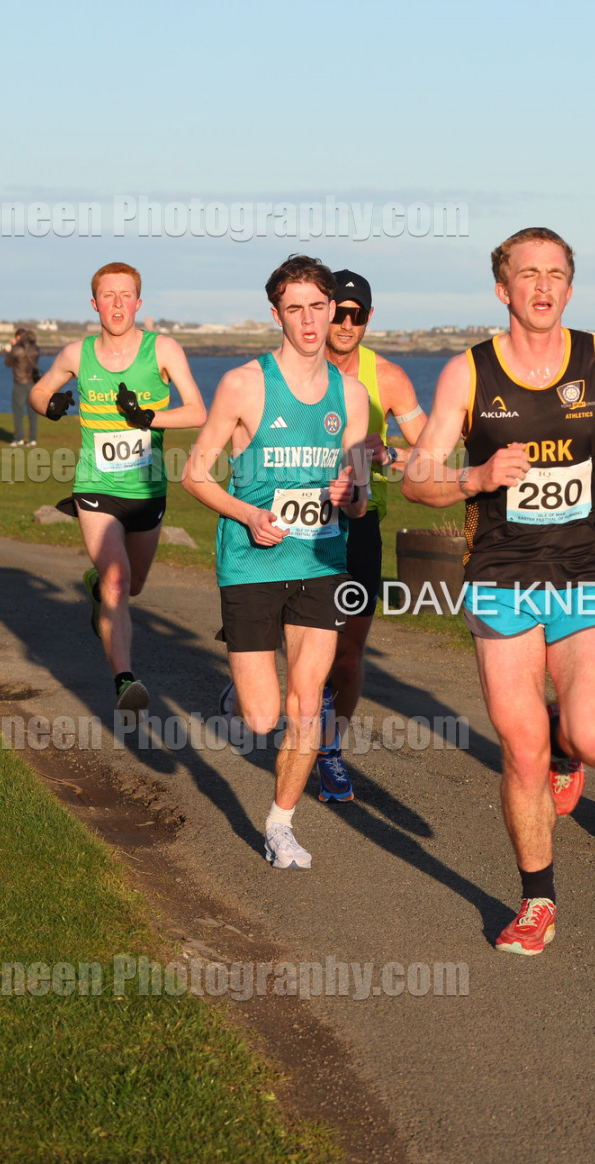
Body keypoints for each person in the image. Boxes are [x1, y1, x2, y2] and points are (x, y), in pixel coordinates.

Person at [402, 228, 595, 954]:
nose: (542, 286)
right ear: (504, 289)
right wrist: (476, 477)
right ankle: (537, 900)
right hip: (500, 579)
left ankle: (564, 747)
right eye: (528, 274)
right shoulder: (468, 373)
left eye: (555, 274)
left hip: (580, 572)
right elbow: (417, 478)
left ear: (570, 289)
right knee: (518, 753)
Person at [183, 255, 370, 871]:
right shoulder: (244, 384)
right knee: (262, 718)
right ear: (277, 315)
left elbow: (361, 499)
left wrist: (353, 492)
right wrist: (248, 514)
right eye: (296, 309)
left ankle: (280, 825)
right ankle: (241, 689)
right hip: (252, 561)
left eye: (319, 307)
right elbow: (195, 474)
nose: (310, 321)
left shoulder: (353, 395)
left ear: (332, 309)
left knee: (306, 702)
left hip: (321, 560)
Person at [31, 264, 208, 711]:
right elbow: (37, 392)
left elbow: (197, 411)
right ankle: (125, 680)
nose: (117, 304)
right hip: (96, 486)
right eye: (107, 296)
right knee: (118, 578)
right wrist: (52, 405)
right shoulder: (77, 354)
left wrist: (146, 417)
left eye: (125, 295)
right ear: (94, 304)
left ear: (138, 303)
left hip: (147, 490)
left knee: (133, 586)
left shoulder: (163, 349)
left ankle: (96, 588)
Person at [314, 268, 427, 803]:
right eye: (337, 312)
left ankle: (329, 750)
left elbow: (431, 451)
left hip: (360, 524)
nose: (345, 323)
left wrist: (391, 454)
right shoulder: (294, 369)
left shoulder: (389, 378)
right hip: (299, 522)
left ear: (368, 318)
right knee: (300, 645)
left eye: (356, 315)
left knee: (348, 656)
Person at [4, 327, 41, 446]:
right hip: (33, 382)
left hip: (20, 383)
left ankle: (19, 439)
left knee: (18, 412)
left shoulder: (17, 350)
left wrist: (11, 349)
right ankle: (33, 439)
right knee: (33, 413)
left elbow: (8, 363)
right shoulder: (35, 349)